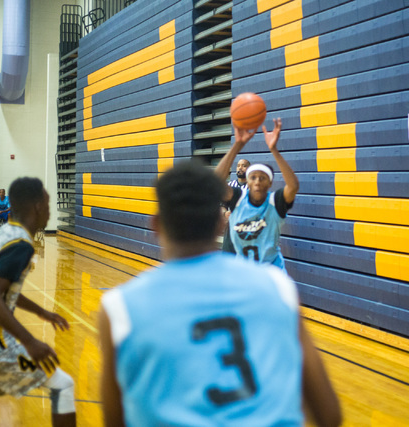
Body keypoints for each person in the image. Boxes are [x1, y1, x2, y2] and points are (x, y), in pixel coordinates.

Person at [98, 159, 340, 427]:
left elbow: (114, 419)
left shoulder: (119, 308)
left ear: (156, 225)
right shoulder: (278, 287)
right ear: (220, 224)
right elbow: (329, 415)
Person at [0, 177, 76, 427]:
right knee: (63, 385)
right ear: (37, 206)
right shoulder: (20, 244)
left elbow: (2, 288)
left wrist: (42, 312)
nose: (50, 210)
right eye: (48, 202)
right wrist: (30, 341)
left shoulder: (2, 235)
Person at [216, 118, 299, 271]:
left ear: (270, 183)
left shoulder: (275, 201)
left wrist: (274, 149)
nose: (257, 182)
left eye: (262, 178)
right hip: (244, 271)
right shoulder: (238, 198)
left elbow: (293, 186)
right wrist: (237, 145)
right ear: (248, 181)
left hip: (271, 273)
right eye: (253, 177)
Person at [222, 158, 250, 254]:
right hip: (230, 231)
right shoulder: (230, 185)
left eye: (244, 166)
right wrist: (225, 213)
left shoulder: (253, 188)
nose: (240, 168)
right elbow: (222, 205)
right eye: (238, 166)